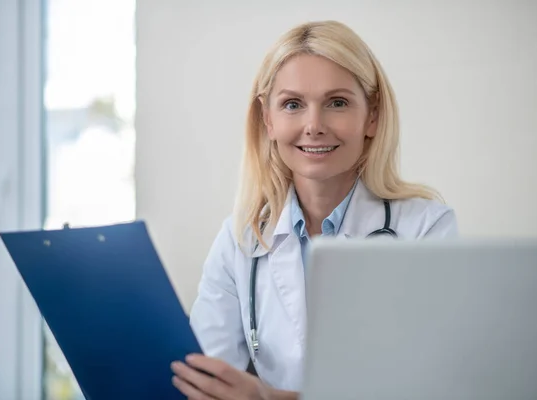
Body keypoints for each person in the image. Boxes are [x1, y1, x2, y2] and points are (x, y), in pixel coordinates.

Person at [171, 19, 458, 399]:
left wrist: (269, 398)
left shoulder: (425, 230)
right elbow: (206, 380)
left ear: (371, 115)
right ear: (268, 119)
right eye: (292, 104)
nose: (314, 125)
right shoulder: (240, 240)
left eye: (337, 103)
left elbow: (428, 386)